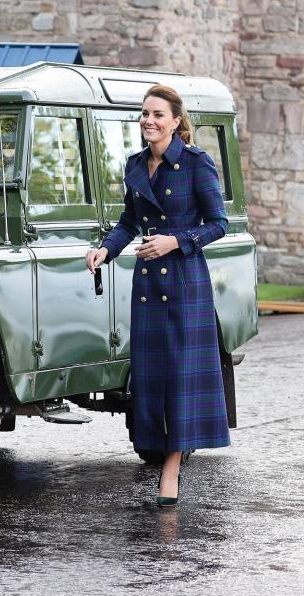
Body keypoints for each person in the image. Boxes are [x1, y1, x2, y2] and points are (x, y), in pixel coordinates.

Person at [85, 84, 229, 507]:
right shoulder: (134, 165)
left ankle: (170, 469)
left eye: (158, 115)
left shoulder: (196, 163)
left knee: (180, 379)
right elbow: (129, 221)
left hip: (185, 284)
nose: (149, 120)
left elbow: (218, 223)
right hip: (148, 286)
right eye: (145, 113)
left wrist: (174, 242)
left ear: (176, 121)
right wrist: (105, 250)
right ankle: (160, 451)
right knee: (151, 379)